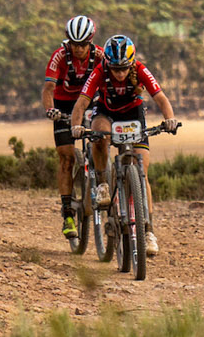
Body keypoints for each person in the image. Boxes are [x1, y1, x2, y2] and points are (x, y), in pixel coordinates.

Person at [70, 34, 178, 257]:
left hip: (133, 114)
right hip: (106, 112)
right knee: (99, 137)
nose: (120, 73)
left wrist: (170, 119)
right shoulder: (100, 71)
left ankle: (148, 231)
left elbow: (160, 97)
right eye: (115, 69)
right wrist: (76, 126)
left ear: (131, 64)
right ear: (108, 64)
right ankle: (103, 184)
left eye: (124, 69)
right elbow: (81, 103)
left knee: (142, 173)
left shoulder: (140, 69)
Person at [41, 14, 100, 241]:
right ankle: (67, 213)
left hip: (89, 103)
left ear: (90, 42)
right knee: (66, 157)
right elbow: (48, 88)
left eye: (83, 44)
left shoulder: (100, 56)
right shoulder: (59, 57)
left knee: (100, 144)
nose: (78, 49)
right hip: (64, 105)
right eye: (74, 44)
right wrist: (50, 110)